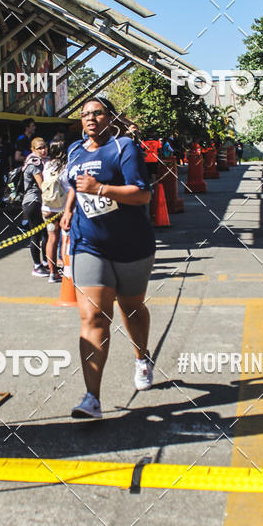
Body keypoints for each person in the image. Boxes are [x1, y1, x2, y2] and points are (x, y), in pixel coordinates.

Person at [60, 96, 156, 420]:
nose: (90, 119)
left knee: (131, 307)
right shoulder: (74, 151)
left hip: (131, 245)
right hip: (89, 245)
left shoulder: (124, 147)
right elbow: (76, 183)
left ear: (111, 118)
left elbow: (142, 193)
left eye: (97, 113)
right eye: (85, 114)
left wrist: (101, 188)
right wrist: (69, 209)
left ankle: (142, 357)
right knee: (94, 318)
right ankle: (92, 398)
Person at [41, 139, 69, 283]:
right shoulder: (67, 167)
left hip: (47, 209)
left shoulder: (47, 166)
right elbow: (70, 189)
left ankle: (52, 273)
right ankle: (65, 270)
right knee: (65, 238)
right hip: (63, 210)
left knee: (51, 238)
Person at [22, 137, 49, 277]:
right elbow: (42, 185)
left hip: (34, 201)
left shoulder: (36, 160)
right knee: (37, 234)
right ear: (33, 150)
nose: (43, 150)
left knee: (44, 234)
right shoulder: (35, 162)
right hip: (34, 201)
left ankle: (44, 263)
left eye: (44, 146)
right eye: (39, 148)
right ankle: (38, 265)